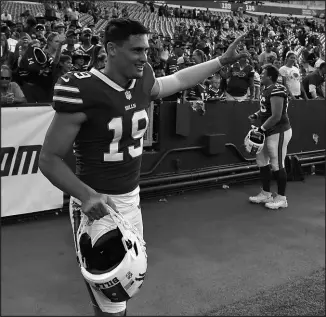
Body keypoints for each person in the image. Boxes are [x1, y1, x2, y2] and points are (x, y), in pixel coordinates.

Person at [39, 18, 247, 316]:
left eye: (146, 50)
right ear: (111, 49)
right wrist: (85, 195)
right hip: (99, 206)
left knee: (125, 288)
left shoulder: (142, 78)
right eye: (137, 50)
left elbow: (174, 82)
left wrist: (220, 61)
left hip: (131, 199)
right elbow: (48, 159)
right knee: (112, 298)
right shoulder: (83, 89)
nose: (145, 57)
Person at [248, 64, 292, 210]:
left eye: (263, 73)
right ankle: (266, 193)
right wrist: (256, 114)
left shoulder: (277, 89)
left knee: (278, 163)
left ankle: (282, 198)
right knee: (262, 161)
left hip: (278, 131)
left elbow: (276, 115)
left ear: (270, 76)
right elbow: (265, 110)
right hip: (268, 131)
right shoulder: (266, 90)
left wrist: (261, 128)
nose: (260, 75)